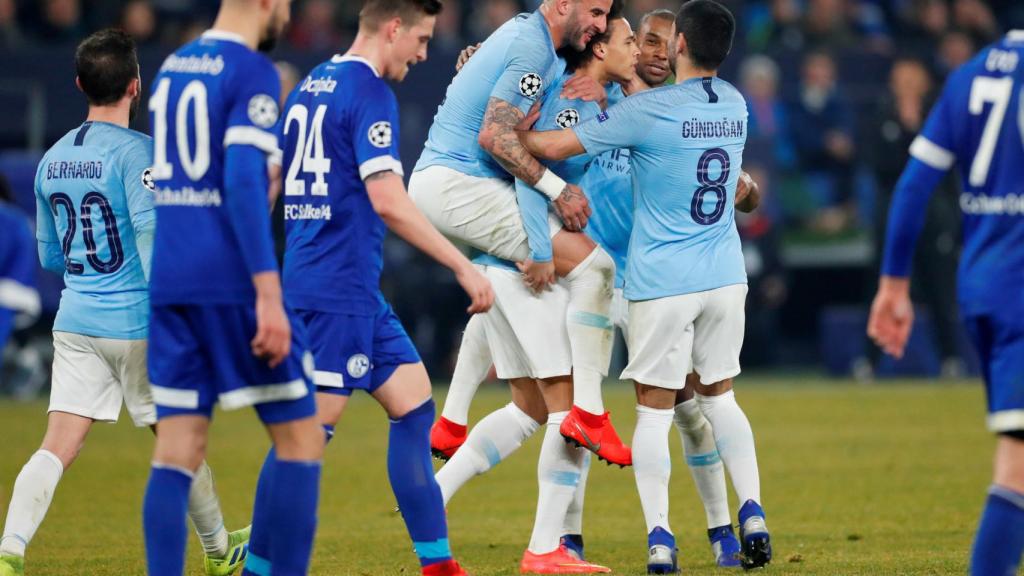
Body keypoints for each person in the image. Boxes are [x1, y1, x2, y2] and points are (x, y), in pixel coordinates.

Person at [519, 1, 772, 571]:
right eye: (642, 41)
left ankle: (693, 536)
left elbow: (555, 148)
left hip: (657, 282)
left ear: (680, 45)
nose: (653, 51)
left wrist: (500, 129)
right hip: (615, 275)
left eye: (663, 41)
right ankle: (574, 536)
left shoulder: (644, 110)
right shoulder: (731, 101)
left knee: (672, 413)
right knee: (591, 408)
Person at [0, 29, 247, 576]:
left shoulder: (50, 160)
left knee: (56, 446)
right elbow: (151, 244)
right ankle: (218, 552)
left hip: (76, 320)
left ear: (80, 84)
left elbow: (50, 258)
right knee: (182, 440)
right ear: (136, 86)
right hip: (138, 323)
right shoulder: (141, 157)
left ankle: (9, 550)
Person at [278, 1, 492, 574]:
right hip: (333, 289)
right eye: (420, 40)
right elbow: (388, 200)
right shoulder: (370, 91)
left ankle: (438, 563)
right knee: (303, 443)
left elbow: (273, 177)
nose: (424, 54)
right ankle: (262, 565)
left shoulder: (311, 83)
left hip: (347, 289)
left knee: (414, 400)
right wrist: (462, 265)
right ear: (393, 28)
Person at [435, 10, 639, 574]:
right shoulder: (569, 104)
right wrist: (541, 253)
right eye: (627, 40)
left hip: (514, 263)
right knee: (572, 408)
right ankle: (547, 549)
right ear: (598, 49)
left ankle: (433, 498)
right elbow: (519, 164)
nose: (639, 50)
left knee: (527, 408)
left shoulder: (594, 102)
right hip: (528, 263)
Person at [141, 0, 325, 574]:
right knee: (302, 440)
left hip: (170, 282)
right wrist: (268, 292)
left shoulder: (172, 68)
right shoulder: (252, 71)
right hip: (229, 283)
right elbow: (244, 181)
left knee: (175, 453)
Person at [867, 28, 1024, 576]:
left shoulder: (968, 75)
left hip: (983, 285)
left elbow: (914, 184)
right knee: (1017, 465)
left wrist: (893, 285)